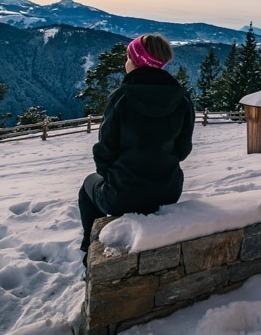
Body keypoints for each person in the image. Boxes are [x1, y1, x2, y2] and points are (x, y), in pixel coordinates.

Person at [78, 33, 195, 257]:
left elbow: (104, 151)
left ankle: (89, 248)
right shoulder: (182, 99)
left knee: (87, 188)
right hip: (168, 191)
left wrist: (113, 177)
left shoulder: (121, 97)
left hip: (122, 195)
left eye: (128, 57)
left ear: (138, 61)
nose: (125, 62)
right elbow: (183, 149)